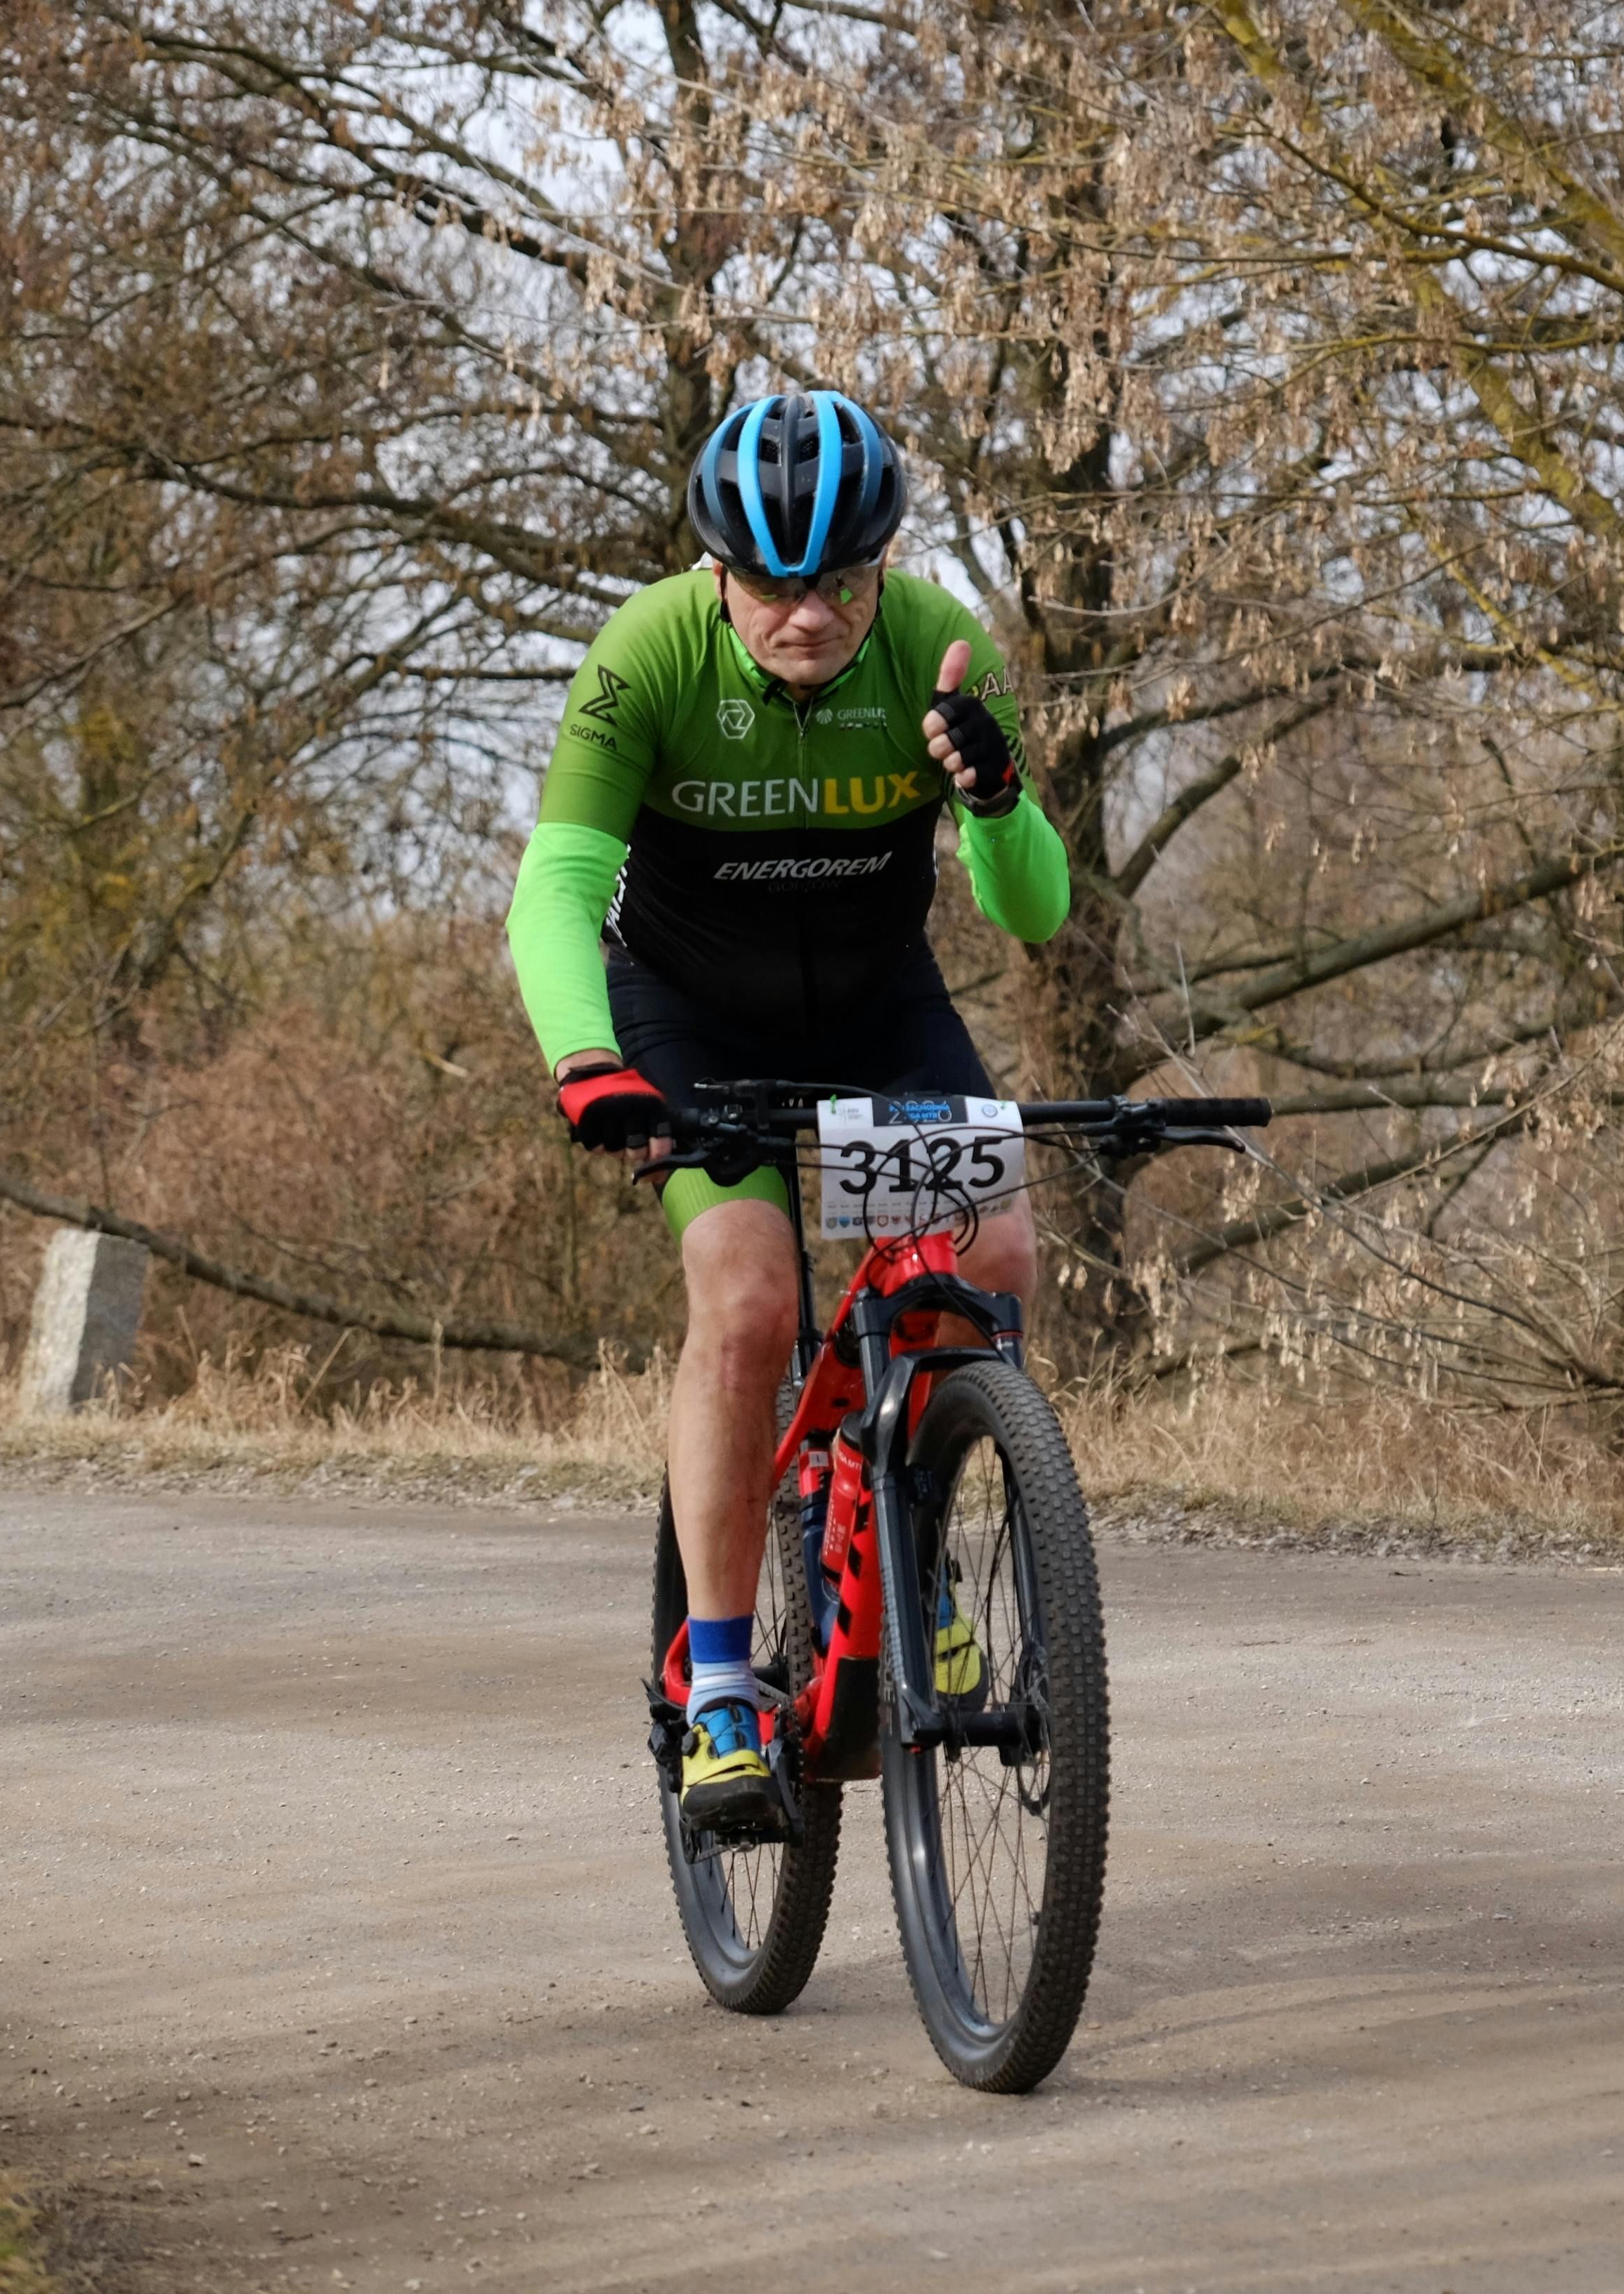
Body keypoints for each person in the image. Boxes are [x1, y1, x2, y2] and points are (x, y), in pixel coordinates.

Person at [504, 389, 1067, 1828]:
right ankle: (716, 1691)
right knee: (751, 1305)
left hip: (878, 1007)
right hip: (685, 1018)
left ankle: (905, 1548)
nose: (803, 613)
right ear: (715, 573)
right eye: (769, 583)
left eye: (835, 581)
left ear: (882, 565)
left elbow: (1034, 914)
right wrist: (588, 1064)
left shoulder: (947, 650)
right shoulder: (648, 656)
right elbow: (557, 894)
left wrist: (995, 800)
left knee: (994, 1258)